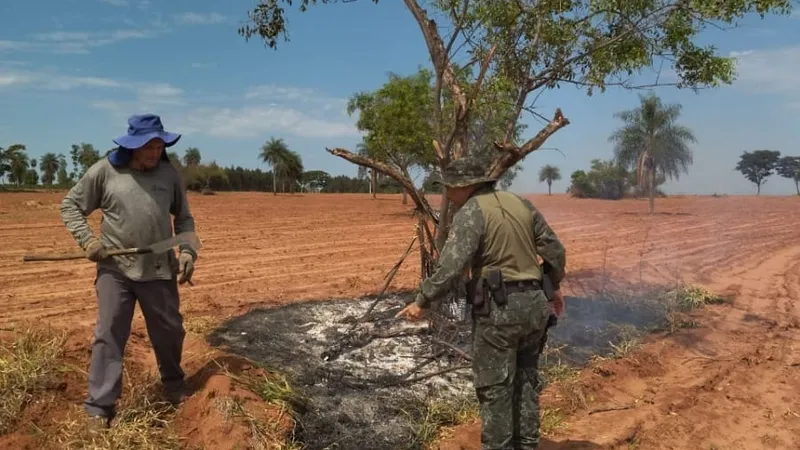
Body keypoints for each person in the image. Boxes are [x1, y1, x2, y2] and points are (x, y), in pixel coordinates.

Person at [396, 156, 566, 450]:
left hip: (500, 311)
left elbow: (450, 266)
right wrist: (552, 287)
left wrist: (422, 300)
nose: (448, 193)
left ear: (465, 186)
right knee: (526, 380)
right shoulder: (521, 204)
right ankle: (527, 445)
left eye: (450, 187)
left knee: (495, 387)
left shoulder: (471, 212)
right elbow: (556, 252)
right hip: (535, 306)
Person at [60, 113, 198, 429]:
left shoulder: (169, 175)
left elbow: (185, 220)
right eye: (148, 146)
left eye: (159, 145)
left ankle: (174, 384)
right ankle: (99, 406)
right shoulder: (105, 171)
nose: (154, 152)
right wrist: (88, 241)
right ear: (133, 145)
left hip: (160, 268)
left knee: (170, 331)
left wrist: (189, 251)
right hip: (115, 269)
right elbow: (70, 206)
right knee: (109, 333)